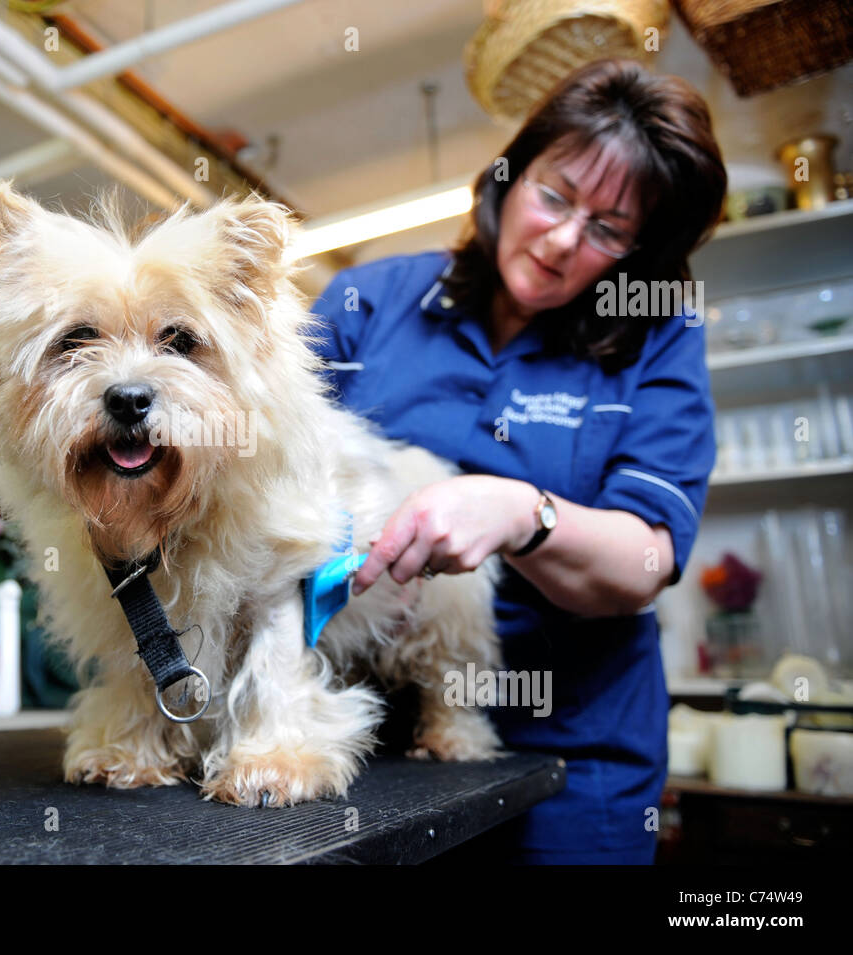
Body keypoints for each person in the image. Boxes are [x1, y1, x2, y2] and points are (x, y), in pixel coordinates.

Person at [310, 58, 726, 864]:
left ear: (638, 253)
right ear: (510, 175)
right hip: (363, 737)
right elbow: (265, 454)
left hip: (570, 751)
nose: (564, 239)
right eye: (554, 195)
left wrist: (521, 514)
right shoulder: (369, 302)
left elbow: (644, 558)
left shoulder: (657, 334)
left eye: (608, 228)